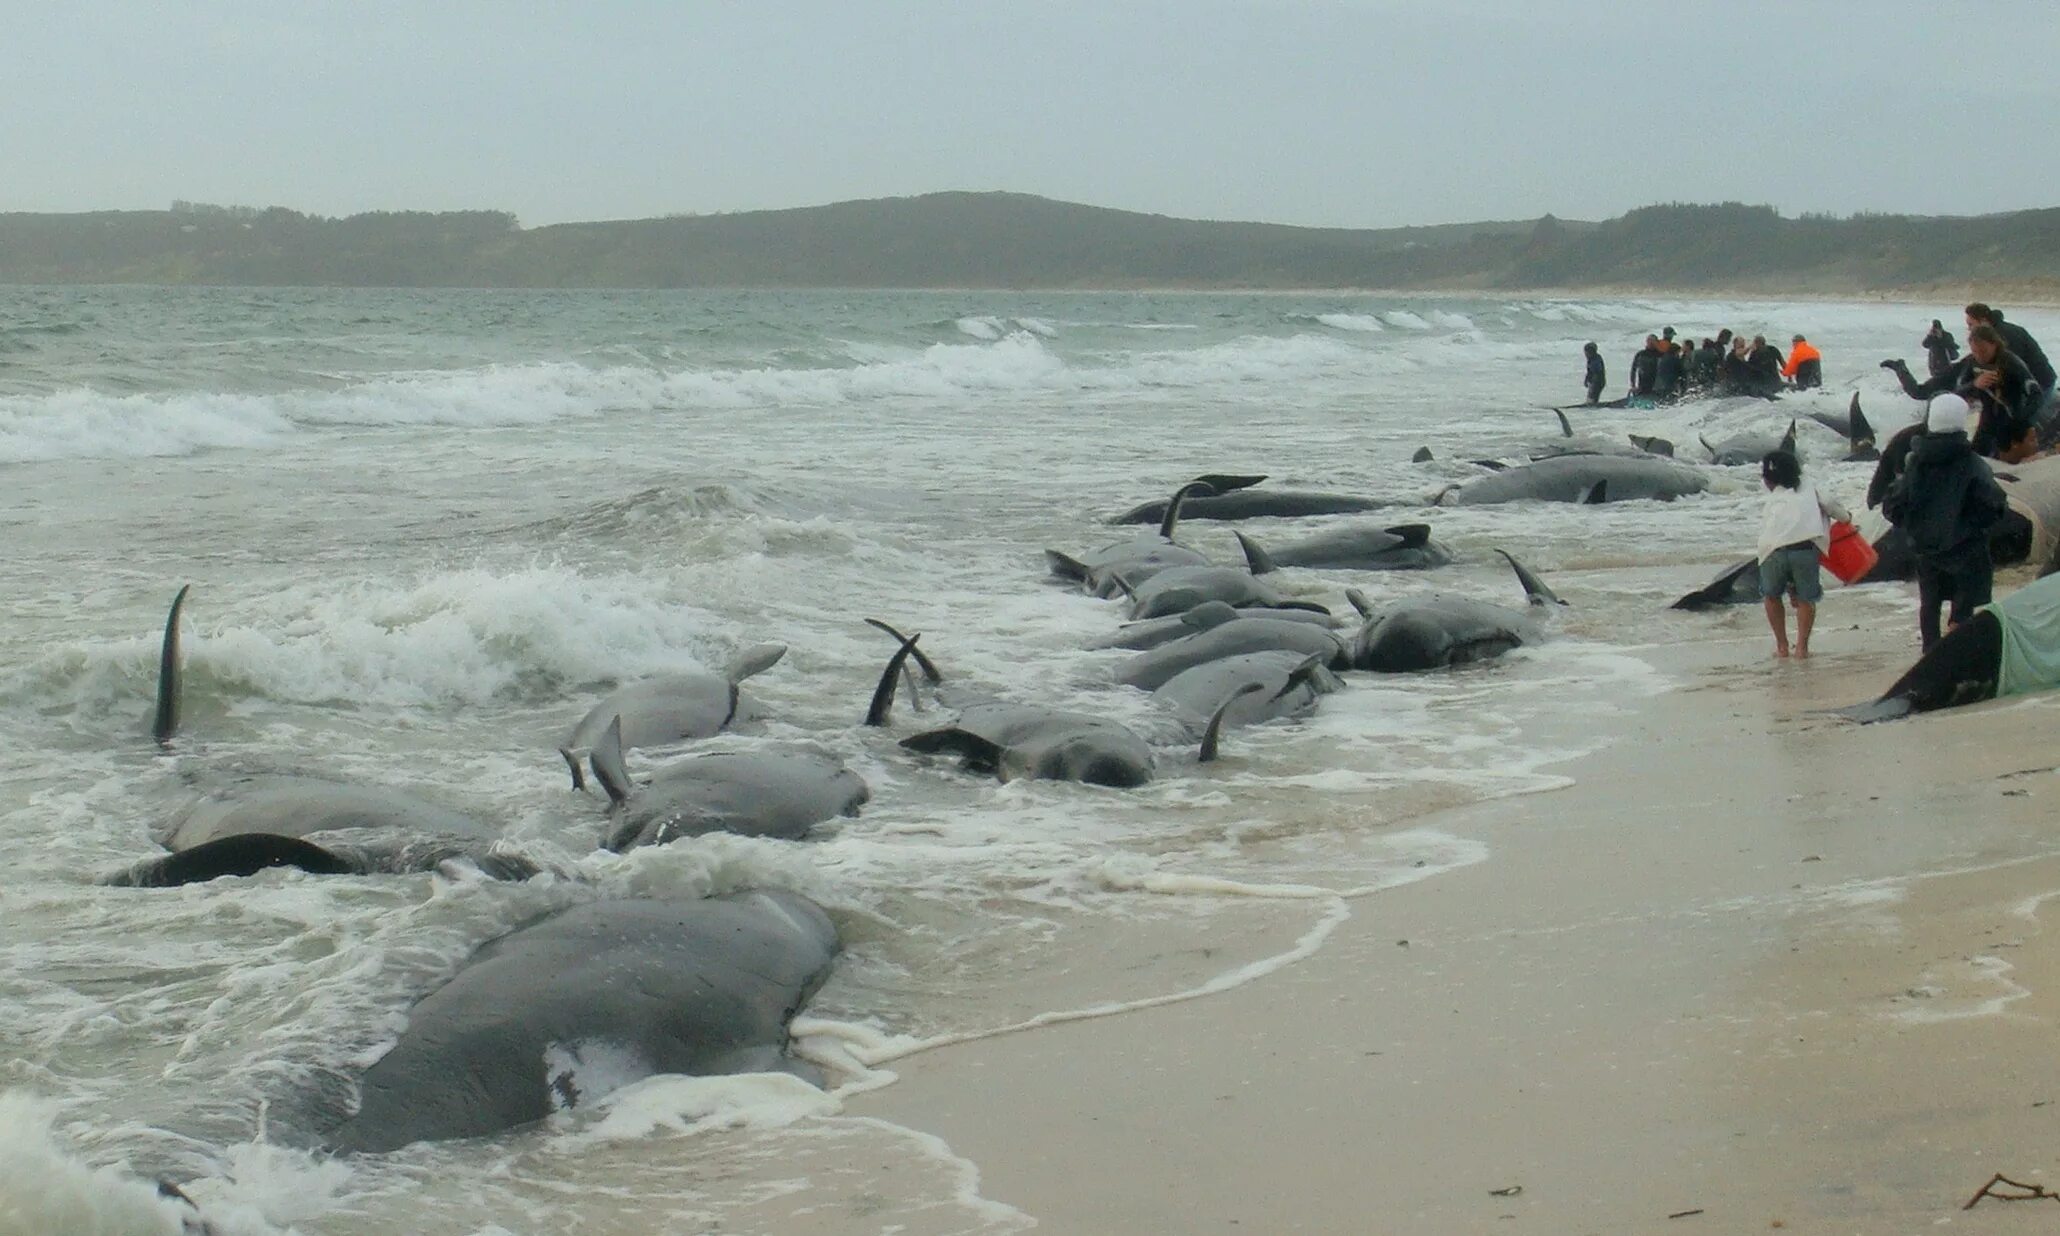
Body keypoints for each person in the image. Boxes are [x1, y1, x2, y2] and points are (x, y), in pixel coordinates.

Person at [1881, 393, 2010, 650]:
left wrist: (1913, 527)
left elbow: (1893, 505)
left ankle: (1930, 651)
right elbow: (1994, 503)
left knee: (1930, 603)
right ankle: (1959, 650)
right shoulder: (1971, 462)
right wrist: (1975, 525)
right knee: (1967, 604)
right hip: (1967, 547)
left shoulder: (1915, 462)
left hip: (1925, 549)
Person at [1881, 323, 2042, 457]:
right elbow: (1957, 393)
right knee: (1977, 458)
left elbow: (2036, 394)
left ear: (1994, 344)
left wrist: (2021, 419)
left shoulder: (2010, 362)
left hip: (2013, 419)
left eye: (1983, 351)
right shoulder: (1972, 362)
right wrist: (1975, 385)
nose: (1979, 356)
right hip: (1988, 420)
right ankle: (1900, 368)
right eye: (1975, 352)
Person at [1756, 448, 1850, 659]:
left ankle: (1781, 647)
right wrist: (1846, 518)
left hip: (1772, 550)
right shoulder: (1810, 487)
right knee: (1807, 599)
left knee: (1771, 596)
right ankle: (1801, 649)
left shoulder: (1773, 495)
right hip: (1803, 550)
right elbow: (1832, 506)